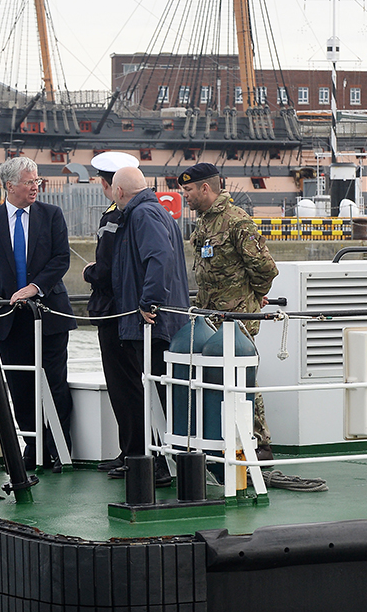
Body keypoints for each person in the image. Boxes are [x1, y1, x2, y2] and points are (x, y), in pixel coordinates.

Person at [0, 157, 77, 472]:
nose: (36, 187)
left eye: (37, 181)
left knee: (55, 382)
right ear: (10, 185)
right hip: (9, 320)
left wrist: (34, 288)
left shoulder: (51, 215)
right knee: (19, 386)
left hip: (49, 314)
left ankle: (59, 449)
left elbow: (61, 259)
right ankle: (32, 448)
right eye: (29, 182)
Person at [178, 162, 278, 459]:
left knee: (244, 379)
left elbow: (265, 269)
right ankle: (223, 439)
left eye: (188, 190)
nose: (185, 196)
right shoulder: (204, 223)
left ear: (205, 188)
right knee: (218, 380)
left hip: (237, 317)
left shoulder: (237, 221)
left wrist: (255, 295)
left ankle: (260, 444)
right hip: (211, 316)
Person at [108, 166, 190, 487]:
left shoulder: (142, 215)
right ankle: (163, 461)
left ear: (119, 192)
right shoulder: (154, 212)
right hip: (160, 322)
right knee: (157, 391)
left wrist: (148, 303)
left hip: (153, 324)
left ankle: (162, 465)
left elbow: (159, 257)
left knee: (156, 392)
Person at [82, 152, 142, 474]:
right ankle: (134, 451)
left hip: (114, 314)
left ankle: (133, 453)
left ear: (107, 184)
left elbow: (106, 270)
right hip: (130, 312)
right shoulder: (137, 214)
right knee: (134, 384)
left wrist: (89, 273)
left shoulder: (112, 218)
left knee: (124, 385)